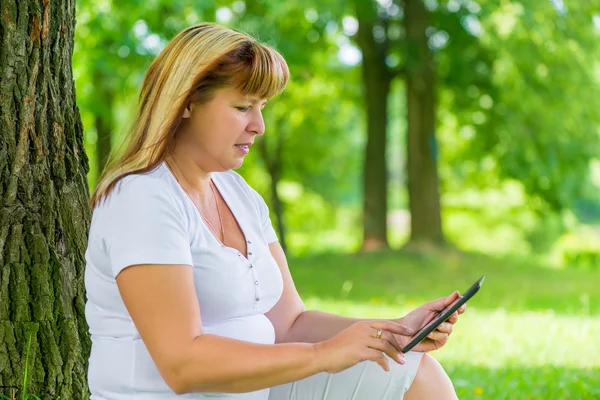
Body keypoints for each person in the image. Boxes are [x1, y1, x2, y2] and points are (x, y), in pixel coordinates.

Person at [84, 22, 465, 400]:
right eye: (242, 107)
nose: (259, 126)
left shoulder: (237, 193)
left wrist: (392, 330)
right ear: (185, 103)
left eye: (262, 107)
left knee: (416, 372)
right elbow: (182, 365)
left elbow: (289, 324)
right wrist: (322, 356)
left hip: (256, 393)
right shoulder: (142, 200)